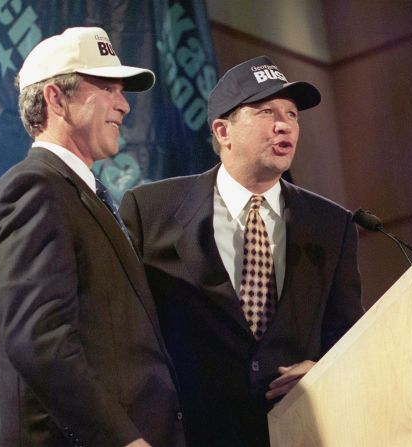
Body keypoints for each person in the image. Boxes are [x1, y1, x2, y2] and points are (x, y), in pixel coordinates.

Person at [118, 56, 364, 447]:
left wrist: (324, 368)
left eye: (291, 114)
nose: (284, 124)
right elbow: (117, 320)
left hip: (297, 432)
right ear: (222, 130)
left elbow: (348, 334)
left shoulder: (331, 224)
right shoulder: (151, 210)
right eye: (266, 111)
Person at [0, 27, 185, 447]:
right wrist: (123, 439)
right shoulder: (34, 189)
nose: (123, 105)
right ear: (56, 99)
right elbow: (39, 341)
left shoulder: (76, 192)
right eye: (107, 88)